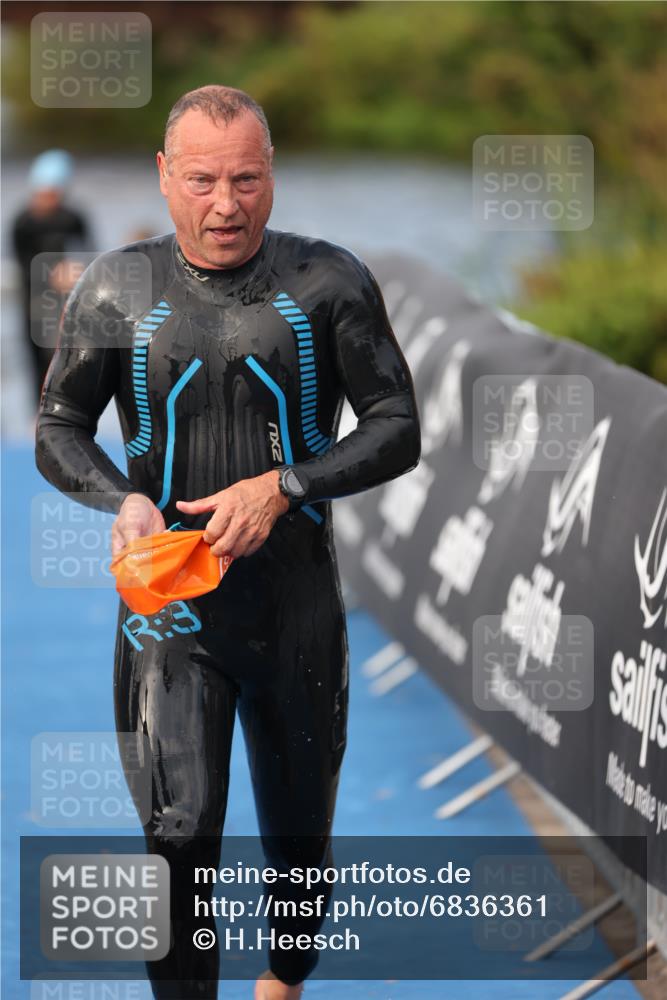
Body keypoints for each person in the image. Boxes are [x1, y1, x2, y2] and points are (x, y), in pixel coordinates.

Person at [35, 85, 421, 999]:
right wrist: (124, 499)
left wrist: (285, 486)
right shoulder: (118, 288)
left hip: (296, 614)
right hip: (169, 616)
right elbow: (58, 425)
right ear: (164, 177)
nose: (225, 205)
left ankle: (283, 979)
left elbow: (397, 425)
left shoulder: (327, 282)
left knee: (298, 853)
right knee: (177, 839)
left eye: (245, 180)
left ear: (271, 175)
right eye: (202, 180)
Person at [12, 149, 91, 406]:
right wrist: (51, 276)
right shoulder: (22, 223)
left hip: (66, 304)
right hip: (35, 304)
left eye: (55, 193)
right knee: (36, 364)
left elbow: (90, 255)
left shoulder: (73, 219)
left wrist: (77, 273)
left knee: (68, 365)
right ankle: (38, 415)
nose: (49, 200)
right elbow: (22, 265)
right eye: (44, 193)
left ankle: (68, 412)